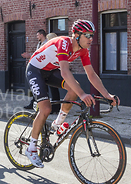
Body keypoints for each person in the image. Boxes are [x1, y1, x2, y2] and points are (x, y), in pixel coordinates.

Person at [24, 19, 119, 168]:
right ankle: (31, 148)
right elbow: (65, 71)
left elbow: (91, 74)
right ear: (76, 35)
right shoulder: (63, 43)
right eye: (87, 35)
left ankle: (57, 124)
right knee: (46, 108)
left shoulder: (83, 50)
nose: (91, 39)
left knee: (74, 89)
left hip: (50, 71)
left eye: (92, 35)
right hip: (35, 70)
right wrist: (83, 95)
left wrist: (107, 95)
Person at [22, 29, 48, 110]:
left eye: (37, 35)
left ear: (41, 35)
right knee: (37, 87)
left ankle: (42, 106)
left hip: (44, 69)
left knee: (41, 88)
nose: (37, 37)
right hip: (38, 68)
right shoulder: (39, 44)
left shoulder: (46, 43)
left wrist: (30, 55)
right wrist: (30, 55)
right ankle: (34, 103)